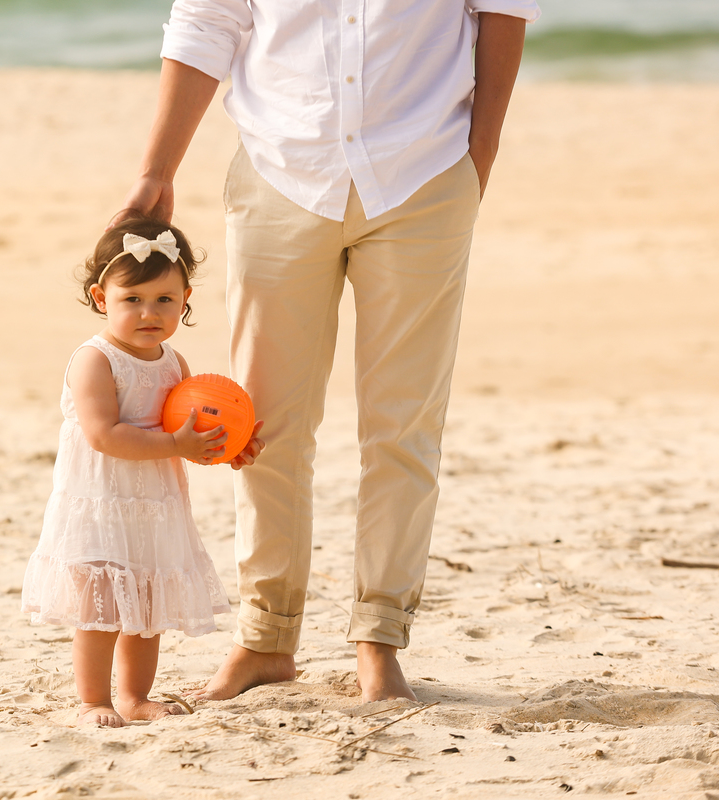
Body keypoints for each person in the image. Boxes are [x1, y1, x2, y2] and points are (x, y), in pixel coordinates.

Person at [112, 0, 541, 702]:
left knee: (403, 428)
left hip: (422, 171)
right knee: (260, 427)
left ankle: (379, 640)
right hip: (280, 169)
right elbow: (208, 18)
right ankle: (266, 637)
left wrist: (479, 151)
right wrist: (158, 168)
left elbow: (502, 9)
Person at [21, 216, 233, 727]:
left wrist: (217, 446)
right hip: (101, 500)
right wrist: (175, 442)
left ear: (184, 299)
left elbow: (187, 426)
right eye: (132, 299)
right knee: (102, 607)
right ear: (101, 298)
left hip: (154, 503)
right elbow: (104, 435)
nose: (149, 313)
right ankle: (93, 700)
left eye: (164, 299)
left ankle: (136, 696)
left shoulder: (174, 363)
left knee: (146, 603)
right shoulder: (95, 361)